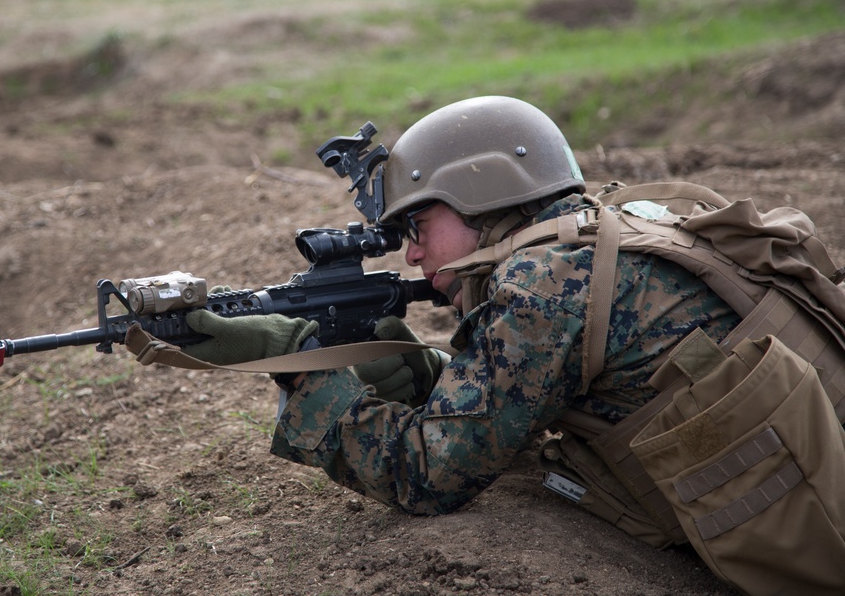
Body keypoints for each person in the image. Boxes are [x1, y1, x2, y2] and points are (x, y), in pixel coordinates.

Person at [171, 95, 743, 517]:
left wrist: (293, 362)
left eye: (417, 225)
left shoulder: (543, 285)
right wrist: (435, 379)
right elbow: (536, 395)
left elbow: (425, 477)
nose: (412, 253)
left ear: (482, 196)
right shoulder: (609, 231)